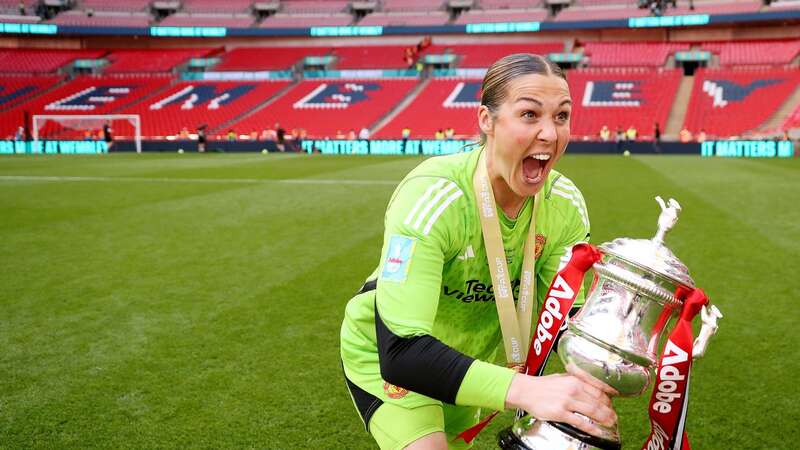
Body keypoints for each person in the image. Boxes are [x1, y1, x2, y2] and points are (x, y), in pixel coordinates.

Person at [340, 54, 617, 450]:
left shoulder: (565, 204)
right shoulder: (435, 195)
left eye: (561, 117)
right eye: (529, 115)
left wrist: (612, 355)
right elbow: (401, 350)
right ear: (486, 121)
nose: (550, 134)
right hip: (392, 359)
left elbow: (565, 317)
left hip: (470, 364)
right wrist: (526, 390)